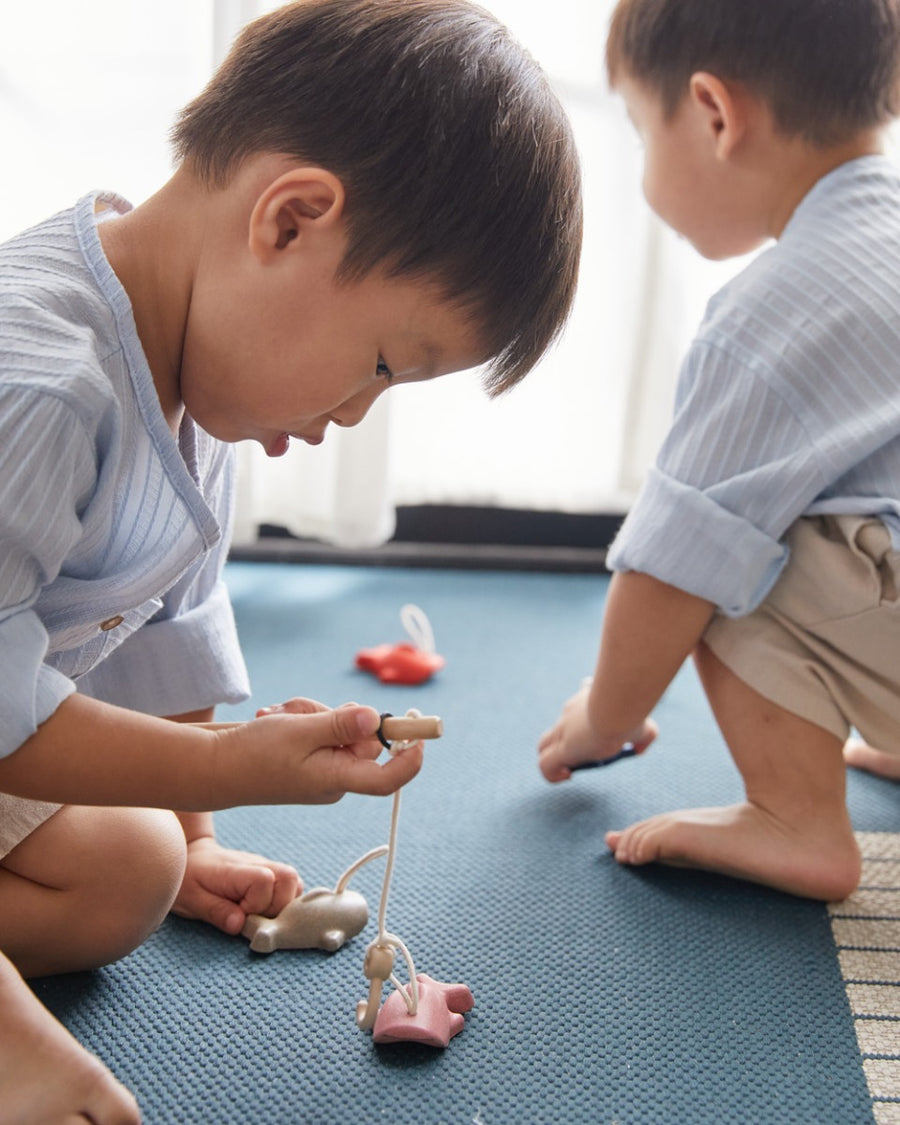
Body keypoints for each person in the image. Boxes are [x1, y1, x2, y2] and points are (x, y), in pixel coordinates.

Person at [0, 0, 583, 1118]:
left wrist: (196, 832)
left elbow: (166, 627)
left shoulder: (188, 378)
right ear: (291, 221)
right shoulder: (43, 381)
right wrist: (232, 767)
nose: (356, 416)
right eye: (377, 364)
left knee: (130, 875)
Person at [539, 0, 900, 905]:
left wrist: (603, 717)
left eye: (637, 129)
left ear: (713, 114)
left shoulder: (766, 315)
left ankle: (795, 816)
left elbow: (671, 566)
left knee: (729, 544)